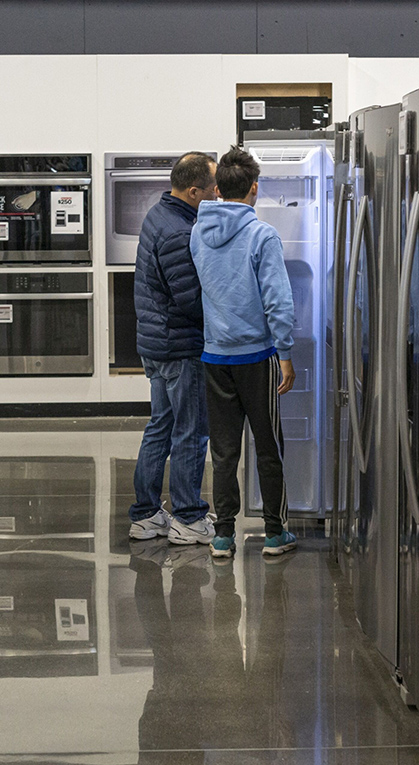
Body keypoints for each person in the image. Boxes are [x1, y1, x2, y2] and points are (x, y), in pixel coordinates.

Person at [191, 145, 297, 559]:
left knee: (223, 452)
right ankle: (274, 533)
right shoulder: (262, 235)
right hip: (257, 356)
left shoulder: (198, 232)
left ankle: (222, 536)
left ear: (217, 189)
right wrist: (284, 353)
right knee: (268, 446)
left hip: (215, 357)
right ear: (254, 188)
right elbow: (278, 301)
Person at [128, 152, 220, 546]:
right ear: (194, 190)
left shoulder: (160, 214)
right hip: (179, 347)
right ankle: (187, 517)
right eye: (213, 188)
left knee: (161, 427)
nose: (218, 193)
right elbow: (190, 299)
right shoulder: (179, 233)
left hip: (155, 344)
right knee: (191, 431)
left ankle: (147, 514)